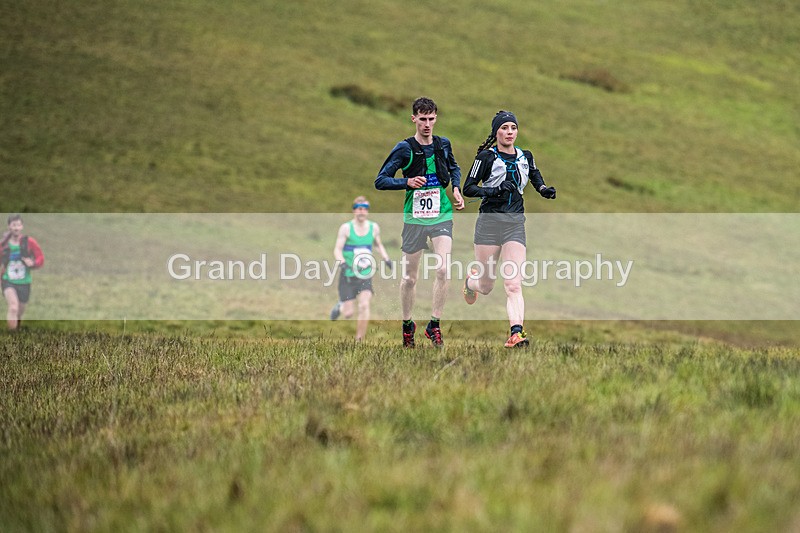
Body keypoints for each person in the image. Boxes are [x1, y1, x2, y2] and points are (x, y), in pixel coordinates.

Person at [461, 111, 556, 348]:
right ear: (496, 132)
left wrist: (543, 189)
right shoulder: (486, 157)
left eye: (513, 127)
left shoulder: (526, 156)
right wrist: (494, 190)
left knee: (513, 284)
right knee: (486, 286)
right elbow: (469, 188)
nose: (509, 132)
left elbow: (534, 176)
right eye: (504, 128)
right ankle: (469, 283)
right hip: (489, 225)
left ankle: (516, 333)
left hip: (514, 225)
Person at [375, 97, 464, 348]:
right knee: (410, 279)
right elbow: (380, 180)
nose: (427, 124)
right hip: (414, 218)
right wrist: (407, 182)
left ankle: (434, 325)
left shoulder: (443, 144)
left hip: (441, 214)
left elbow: (454, 167)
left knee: (443, 269)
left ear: (436, 118)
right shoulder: (404, 148)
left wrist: (456, 188)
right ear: (413, 118)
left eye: (431, 119)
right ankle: (407, 325)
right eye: (422, 119)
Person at [329, 196, 391, 341]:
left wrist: (386, 258)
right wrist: (342, 262)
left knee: (364, 305)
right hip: (348, 274)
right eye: (359, 208)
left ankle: (359, 340)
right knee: (348, 313)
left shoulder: (373, 227)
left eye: (364, 208)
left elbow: (378, 244)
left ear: (367, 211)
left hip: (365, 274)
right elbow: (337, 249)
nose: (362, 211)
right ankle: (340, 306)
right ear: (354, 210)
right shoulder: (346, 228)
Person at [1, 214, 45, 331]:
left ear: (22, 227)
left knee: (19, 312)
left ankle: (16, 329)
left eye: (18, 225)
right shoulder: (3, 244)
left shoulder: (29, 242)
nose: (16, 228)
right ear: (9, 227)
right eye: (14, 225)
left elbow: (40, 258)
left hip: (24, 282)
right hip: (8, 280)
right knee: (13, 307)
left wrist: (33, 263)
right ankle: (12, 337)